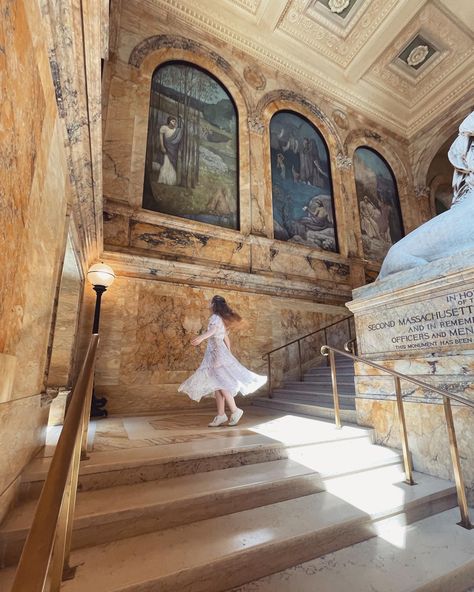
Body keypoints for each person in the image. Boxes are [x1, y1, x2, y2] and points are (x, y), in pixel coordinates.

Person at [178, 295, 267, 427]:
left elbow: (213, 331)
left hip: (217, 354)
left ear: (214, 304)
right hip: (218, 353)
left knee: (220, 383)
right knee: (217, 383)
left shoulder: (215, 318)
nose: (209, 304)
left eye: (210, 302)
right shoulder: (220, 319)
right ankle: (221, 415)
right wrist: (228, 353)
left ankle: (235, 410)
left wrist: (202, 337)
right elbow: (226, 338)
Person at [157, 115, 183, 185]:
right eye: (173, 121)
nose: (174, 123)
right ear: (169, 121)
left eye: (175, 121)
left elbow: (179, 140)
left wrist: (182, 120)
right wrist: (162, 146)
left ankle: (171, 182)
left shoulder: (176, 130)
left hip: (174, 152)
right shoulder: (164, 128)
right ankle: (163, 180)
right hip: (167, 149)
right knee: (166, 164)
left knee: (172, 166)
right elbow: (161, 137)